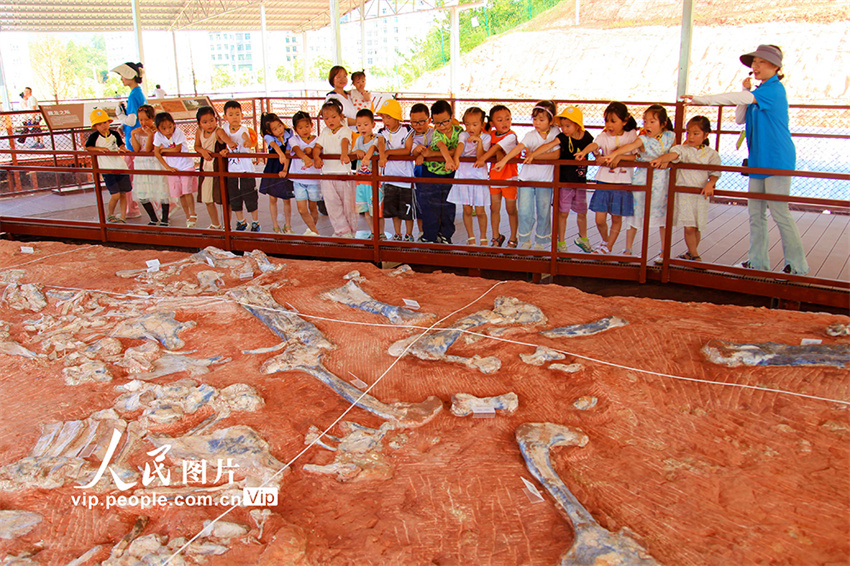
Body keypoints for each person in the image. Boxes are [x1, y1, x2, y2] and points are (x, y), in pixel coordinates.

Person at [684, 44, 808, 275]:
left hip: (777, 159)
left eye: (761, 62)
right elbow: (740, 117)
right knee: (755, 212)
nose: (755, 66)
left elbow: (739, 99)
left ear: (775, 66)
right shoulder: (757, 93)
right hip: (758, 160)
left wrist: (703, 99)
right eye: (754, 62)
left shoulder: (773, 90)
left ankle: (797, 266)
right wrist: (744, 90)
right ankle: (757, 261)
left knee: (779, 212)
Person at [600, 104, 676, 262]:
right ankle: (628, 249)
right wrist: (615, 155)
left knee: (663, 217)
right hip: (643, 179)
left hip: (663, 182)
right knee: (635, 213)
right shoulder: (642, 138)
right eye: (645, 121)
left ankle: (663, 251)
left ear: (663, 124)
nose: (647, 125)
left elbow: (676, 153)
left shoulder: (670, 137)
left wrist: (666, 161)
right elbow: (630, 146)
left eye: (652, 122)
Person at [525, 106, 595, 253]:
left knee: (582, 212)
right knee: (562, 212)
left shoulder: (587, 136)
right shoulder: (563, 138)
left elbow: (594, 148)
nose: (564, 129)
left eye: (568, 126)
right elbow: (549, 145)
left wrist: (600, 157)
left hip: (580, 182)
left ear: (577, 125)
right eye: (562, 125)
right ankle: (561, 241)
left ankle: (583, 238)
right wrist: (533, 155)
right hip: (564, 182)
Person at [651, 116, 721, 262]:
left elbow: (715, 173)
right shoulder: (681, 149)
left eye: (696, 133)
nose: (691, 137)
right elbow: (673, 155)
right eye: (688, 133)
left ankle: (690, 252)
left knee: (696, 226)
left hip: (700, 194)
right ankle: (696, 256)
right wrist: (662, 159)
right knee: (689, 226)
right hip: (684, 194)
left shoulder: (711, 154)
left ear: (706, 135)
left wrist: (710, 183)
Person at [494, 100, 559, 250]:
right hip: (526, 179)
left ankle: (541, 242)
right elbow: (519, 148)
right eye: (534, 119)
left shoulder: (556, 134)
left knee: (544, 211)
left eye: (541, 120)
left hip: (545, 180)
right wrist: (504, 161)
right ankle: (525, 239)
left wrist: (534, 156)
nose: (537, 123)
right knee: (524, 211)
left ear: (551, 120)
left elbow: (556, 154)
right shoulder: (531, 135)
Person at [575, 102, 638, 255]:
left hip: (622, 182)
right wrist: (584, 152)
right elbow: (595, 145)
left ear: (625, 120)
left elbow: (635, 156)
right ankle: (605, 240)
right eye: (607, 121)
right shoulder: (603, 136)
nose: (609, 125)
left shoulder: (631, 135)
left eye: (613, 121)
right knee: (600, 219)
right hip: (603, 181)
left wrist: (618, 156)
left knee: (616, 218)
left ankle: (608, 246)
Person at [418, 100, 462, 244]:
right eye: (437, 123)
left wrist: (435, 155)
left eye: (445, 121)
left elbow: (461, 146)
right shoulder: (436, 133)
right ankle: (429, 236)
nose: (442, 126)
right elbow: (441, 146)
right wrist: (449, 159)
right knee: (430, 204)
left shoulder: (459, 131)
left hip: (449, 174)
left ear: (452, 117)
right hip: (432, 172)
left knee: (448, 205)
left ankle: (445, 234)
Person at [476, 105, 518, 248]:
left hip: (509, 177)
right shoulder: (490, 136)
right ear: (492, 123)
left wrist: (483, 159)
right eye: (499, 120)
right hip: (494, 177)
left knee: (511, 209)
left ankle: (513, 237)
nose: (504, 122)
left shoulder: (511, 136)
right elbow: (492, 148)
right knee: (494, 208)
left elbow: (496, 148)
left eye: (507, 119)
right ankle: (496, 236)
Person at [314, 99, 357, 237]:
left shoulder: (345, 130)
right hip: (327, 174)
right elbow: (317, 147)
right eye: (326, 118)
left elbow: (345, 141)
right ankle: (341, 231)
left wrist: (344, 154)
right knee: (332, 205)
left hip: (343, 173)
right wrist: (316, 157)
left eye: (333, 117)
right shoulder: (325, 132)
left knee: (348, 205)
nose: (330, 121)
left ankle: (351, 231)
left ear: (341, 117)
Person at [448, 107, 491, 246]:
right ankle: (470, 237)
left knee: (480, 210)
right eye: (467, 124)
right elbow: (460, 145)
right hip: (464, 176)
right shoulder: (464, 135)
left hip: (478, 177)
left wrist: (478, 141)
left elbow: (480, 157)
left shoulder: (486, 137)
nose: (470, 127)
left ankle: (483, 237)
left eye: (474, 124)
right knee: (467, 209)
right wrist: (456, 157)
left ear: (482, 124)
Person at [216, 100, 260, 232]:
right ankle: (241, 221)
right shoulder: (224, 129)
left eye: (237, 114)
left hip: (246, 169)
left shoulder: (244, 129)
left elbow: (246, 138)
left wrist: (247, 142)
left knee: (250, 195)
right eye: (231, 114)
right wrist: (225, 150)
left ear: (242, 115)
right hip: (232, 169)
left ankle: (255, 222)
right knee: (234, 195)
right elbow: (220, 137)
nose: (234, 117)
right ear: (225, 117)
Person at [377, 99, 415, 242]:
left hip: (405, 178)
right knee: (394, 211)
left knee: (407, 210)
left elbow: (407, 149)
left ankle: (409, 234)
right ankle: (398, 233)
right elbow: (381, 143)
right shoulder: (382, 132)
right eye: (383, 117)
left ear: (397, 117)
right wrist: (382, 154)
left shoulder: (406, 130)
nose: (385, 120)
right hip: (390, 178)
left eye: (389, 117)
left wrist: (388, 154)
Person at [111, 62, 146, 219]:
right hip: (135, 141)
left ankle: (132, 209)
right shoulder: (138, 93)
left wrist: (120, 116)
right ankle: (132, 208)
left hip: (133, 144)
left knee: (129, 177)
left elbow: (132, 120)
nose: (122, 79)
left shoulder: (133, 95)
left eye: (123, 76)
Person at [85, 108, 131, 223]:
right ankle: (110, 214)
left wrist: (122, 149)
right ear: (95, 126)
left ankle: (123, 217)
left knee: (123, 194)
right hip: (107, 169)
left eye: (105, 122)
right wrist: (99, 149)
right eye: (100, 124)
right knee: (115, 195)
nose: (104, 126)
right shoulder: (94, 137)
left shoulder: (114, 134)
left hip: (120, 166)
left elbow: (121, 144)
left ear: (109, 122)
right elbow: (87, 147)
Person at [152, 111, 197, 227]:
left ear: (173, 124)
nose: (168, 130)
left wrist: (163, 151)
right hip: (172, 167)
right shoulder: (158, 136)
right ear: (158, 129)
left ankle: (193, 213)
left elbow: (177, 149)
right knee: (180, 193)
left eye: (170, 127)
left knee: (187, 190)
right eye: (164, 128)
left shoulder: (178, 132)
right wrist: (167, 167)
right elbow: (156, 153)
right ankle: (187, 215)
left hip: (185, 165)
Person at [131, 104, 171, 226]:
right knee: (143, 192)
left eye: (146, 119)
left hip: (155, 163)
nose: (143, 122)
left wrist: (150, 135)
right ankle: (153, 218)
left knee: (162, 191)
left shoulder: (157, 132)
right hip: (141, 164)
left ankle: (164, 218)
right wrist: (133, 134)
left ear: (152, 118)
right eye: (140, 119)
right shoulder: (137, 132)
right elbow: (136, 149)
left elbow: (148, 149)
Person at [258, 112, 294, 234]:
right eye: (275, 129)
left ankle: (288, 225)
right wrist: (280, 154)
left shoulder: (289, 134)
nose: (279, 130)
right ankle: (275, 226)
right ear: (269, 131)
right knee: (272, 198)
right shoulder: (268, 137)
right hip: (272, 167)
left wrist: (285, 169)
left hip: (286, 166)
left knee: (286, 198)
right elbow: (274, 145)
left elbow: (288, 152)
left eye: (280, 126)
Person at [289, 111, 322, 236]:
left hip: (313, 179)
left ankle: (311, 232)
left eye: (307, 126)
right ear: (295, 129)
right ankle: (315, 232)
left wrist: (312, 151)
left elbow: (319, 150)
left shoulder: (318, 140)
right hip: (299, 178)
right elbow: (296, 149)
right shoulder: (294, 139)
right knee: (302, 209)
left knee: (313, 207)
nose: (304, 130)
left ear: (311, 125)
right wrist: (306, 157)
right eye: (300, 127)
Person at [194, 106, 224, 229]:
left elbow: (225, 141)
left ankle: (228, 226)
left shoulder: (218, 131)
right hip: (206, 169)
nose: (209, 124)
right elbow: (196, 146)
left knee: (222, 198)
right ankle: (215, 223)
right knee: (207, 199)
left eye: (211, 120)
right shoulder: (199, 132)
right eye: (205, 122)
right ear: (199, 124)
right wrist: (202, 151)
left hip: (218, 168)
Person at [353, 108, 382, 237]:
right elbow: (352, 152)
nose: (362, 128)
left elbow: (375, 149)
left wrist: (367, 156)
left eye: (365, 124)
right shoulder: (358, 140)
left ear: (373, 125)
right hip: (361, 181)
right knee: (365, 210)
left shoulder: (377, 138)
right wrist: (356, 152)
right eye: (359, 125)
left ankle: (380, 233)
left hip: (374, 182)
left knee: (377, 210)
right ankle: (373, 232)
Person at [409, 103, 433, 241]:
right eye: (414, 122)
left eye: (422, 121)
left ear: (429, 120)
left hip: (435, 173)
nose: (418, 125)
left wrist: (422, 153)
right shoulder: (409, 136)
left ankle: (436, 231)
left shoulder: (434, 133)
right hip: (418, 174)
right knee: (420, 203)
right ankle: (422, 232)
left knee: (435, 204)